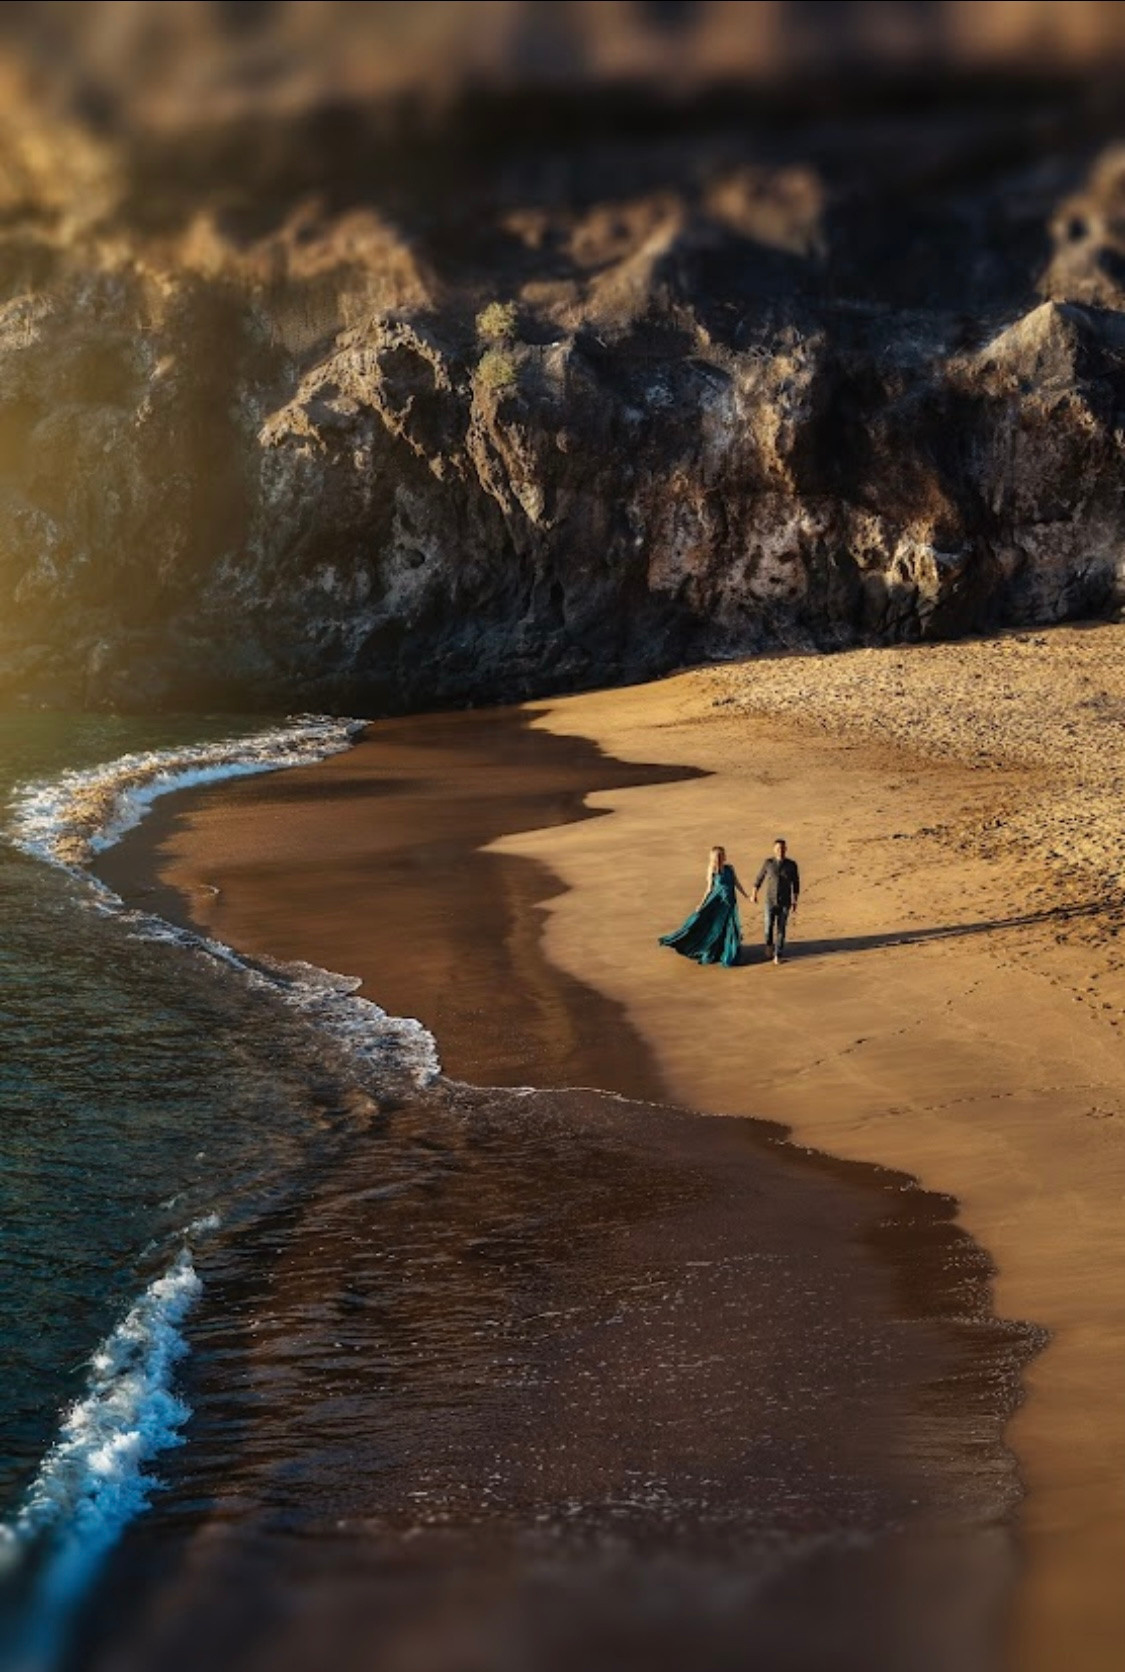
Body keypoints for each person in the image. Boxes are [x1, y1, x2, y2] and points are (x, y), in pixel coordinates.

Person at [658, 845, 748, 967]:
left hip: (730, 904)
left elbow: (736, 883)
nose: (720, 858)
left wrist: (746, 896)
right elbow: (709, 889)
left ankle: (727, 954)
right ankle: (711, 951)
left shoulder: (730, 868)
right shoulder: (712, 870)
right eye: (717, 856)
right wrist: (701, 904)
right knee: (715, 929)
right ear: (713, 858)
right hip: (716, 904)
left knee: (730, 928)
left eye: (721, 855)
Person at [752, 838, 800, 964]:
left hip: (785, 901)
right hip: (770, 900)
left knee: (781, 928)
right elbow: (759, 878)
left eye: (783, 848)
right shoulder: (768, 863)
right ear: (774, 850)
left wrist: (795, 901)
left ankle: (778, 954)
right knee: (768, 927)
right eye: (778, 848)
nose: (781, 851)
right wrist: (754, 894)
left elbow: (796, 884)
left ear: (786, 849)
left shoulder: (791, 865)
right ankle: (769, 945)